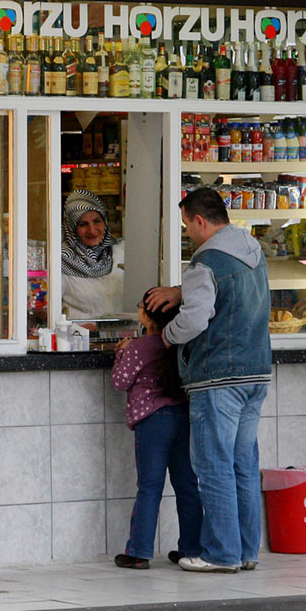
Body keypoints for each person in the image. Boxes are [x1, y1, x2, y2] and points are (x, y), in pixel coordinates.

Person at [146, 186, 271, 574]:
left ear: (200, 221)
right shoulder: (251, 250)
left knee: (213, 465)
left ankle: (220, 554)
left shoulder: (205, 262)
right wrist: (181, 291)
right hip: (256, 372)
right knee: (243, 465)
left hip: (218, 377)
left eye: (187, 226)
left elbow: (197, 319)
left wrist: (165, 337)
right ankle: (246, 551)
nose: (188, 234)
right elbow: (226, 291)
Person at [110, 289, 203, 570]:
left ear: (145, 314)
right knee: (187, 486)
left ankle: (139, 551)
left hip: (153, 422)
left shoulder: (139, 347)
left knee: (150, 487)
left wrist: (121, 353)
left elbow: (119, 381)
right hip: (184, 418)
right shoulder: (181, 342)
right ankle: (191, 548)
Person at [61, 189, 124, 318]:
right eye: (83, 224)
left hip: (123, 335)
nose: (92, 230)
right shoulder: (62, 260)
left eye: (97, 221)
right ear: (72, 228)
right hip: (79, 336)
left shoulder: (120, 251)